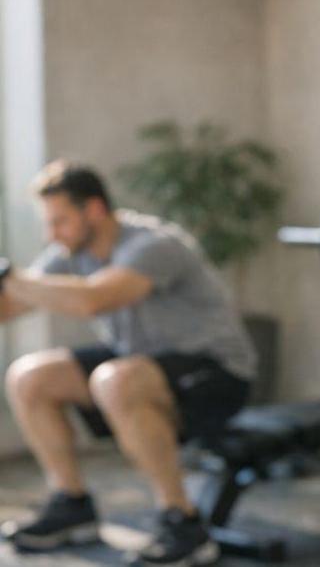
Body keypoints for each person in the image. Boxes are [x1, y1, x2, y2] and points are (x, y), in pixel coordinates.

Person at [0, 159, 256, 566]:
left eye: (60, 221)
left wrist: (10, 276)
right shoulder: (70, 250)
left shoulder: (153, 245)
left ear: (95, 210)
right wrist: (9, 284)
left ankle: (183, 521)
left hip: (216, 374)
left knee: (115, 380)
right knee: (29, 377)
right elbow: (12, 303)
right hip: (137, 364)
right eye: (48, 223)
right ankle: (72, 503)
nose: (52, 234)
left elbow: (92, 299)